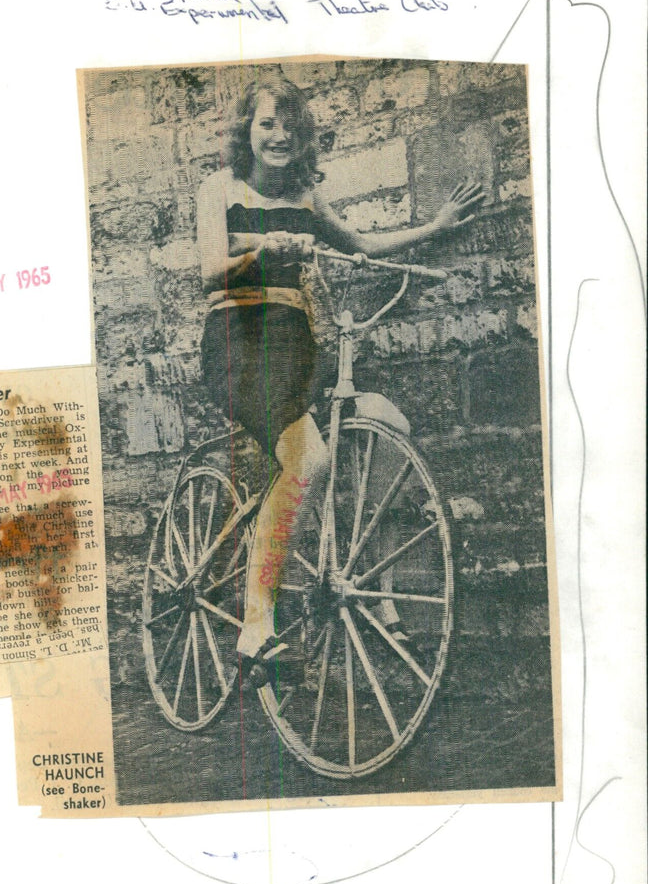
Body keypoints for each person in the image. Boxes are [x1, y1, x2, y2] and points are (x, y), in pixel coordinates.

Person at [196, 74, 483, 684]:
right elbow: (208, 272)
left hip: (296, 346)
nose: (279, 135)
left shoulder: (306, 200)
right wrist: (268, 250)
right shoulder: (220, 188)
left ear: (305, 138)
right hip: (238, 342)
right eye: (267, 123)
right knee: (309, 462)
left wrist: (436, 227)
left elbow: (362, 243)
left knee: (384, 419)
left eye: (290, 125)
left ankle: (370, 581)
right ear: (246, 130)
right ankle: (255, 631)